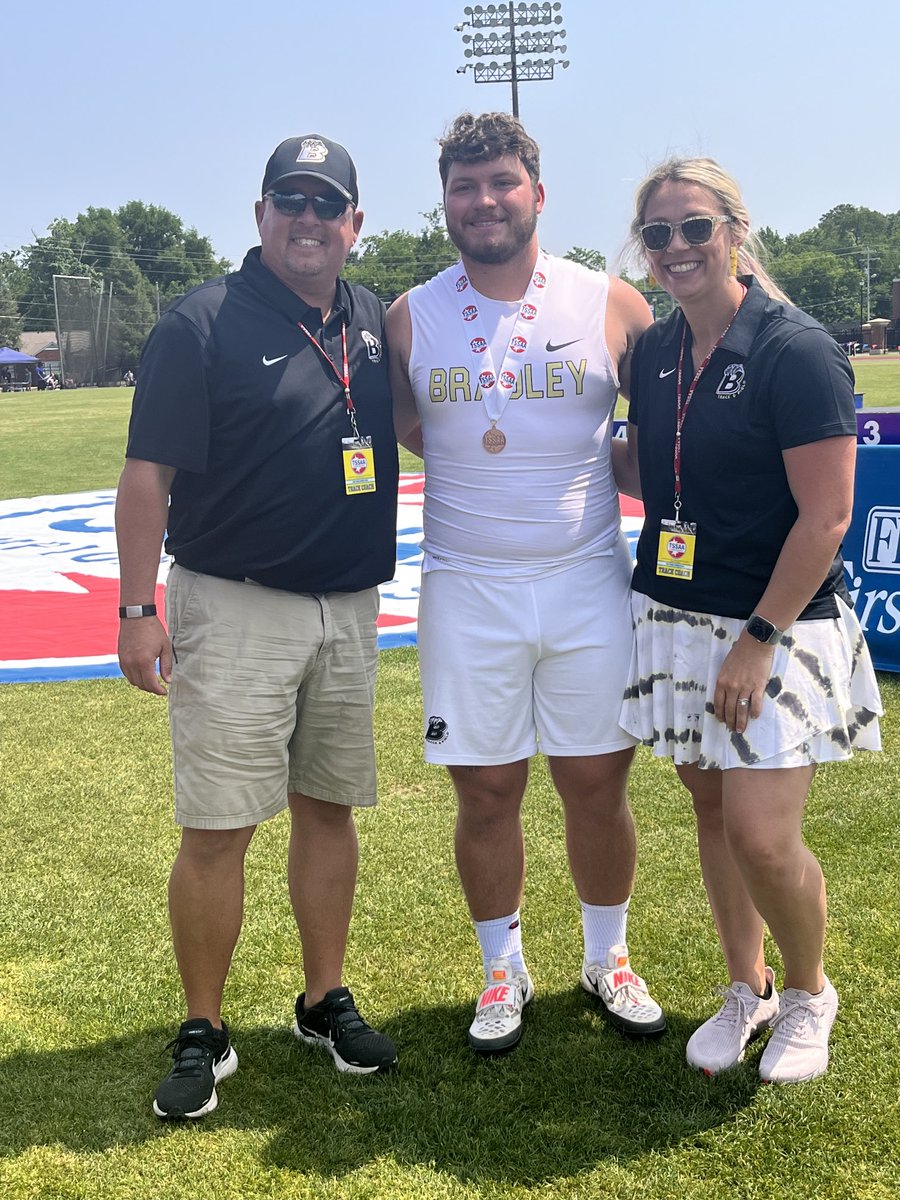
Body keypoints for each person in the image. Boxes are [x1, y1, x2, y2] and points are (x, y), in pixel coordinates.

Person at [115, 133, 400, 1119]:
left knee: (329, 809)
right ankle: (204, 1024)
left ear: (355, 226)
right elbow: (146, 477)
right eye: (290, 200)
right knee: (218, 829)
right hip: (232, 603)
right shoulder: (201, 322)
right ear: (260, 215)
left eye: (327, 204)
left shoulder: (370, 319)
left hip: (350, 605)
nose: (308, 219)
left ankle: (323, 1001)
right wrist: (137, 608)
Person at [386, 111, 665, 1054]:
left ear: (537, 194)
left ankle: (607, 956)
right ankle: (501, 966)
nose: (484, 201)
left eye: (501, 183)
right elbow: (411, 430)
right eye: (465, 188)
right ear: (446, 204)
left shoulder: (611, 303)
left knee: (596, 784)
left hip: (588, 578)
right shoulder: (409, 315)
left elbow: (653, 437)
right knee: (488, 792)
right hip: (466, 587)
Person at [617, 157, 883, 1083]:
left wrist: (756, 641)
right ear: (643, 250)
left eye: (696, 227)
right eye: (660, 233)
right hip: (677, 614)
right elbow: (648, 472)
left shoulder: (795, 347)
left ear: (735, 230)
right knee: (713, 811)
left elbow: (827, 518)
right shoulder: (651, 350)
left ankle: (811, 991)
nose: (679, 247)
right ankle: (749, 986)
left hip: (774, 626)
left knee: (764, 833)